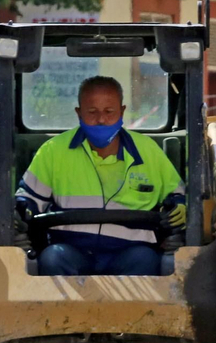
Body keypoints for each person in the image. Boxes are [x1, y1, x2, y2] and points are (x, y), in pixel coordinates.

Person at [13, 75, 185, 275]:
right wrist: (19, 213)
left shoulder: (149, 152)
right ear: (79, 113)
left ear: (122, 111)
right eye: (92, 112)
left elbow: (177, 195)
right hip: (71, 251)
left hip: (130, 253)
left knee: (146, 259)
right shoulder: (53, 152)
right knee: (53, 257)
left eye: (109, 112)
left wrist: (180, 205)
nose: (101, 120)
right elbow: (28, 200)